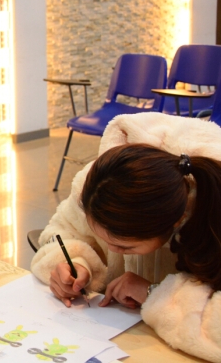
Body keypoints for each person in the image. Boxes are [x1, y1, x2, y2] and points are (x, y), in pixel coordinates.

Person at [31, 112, 221, 362]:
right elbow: (61, 230)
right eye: (104, 240)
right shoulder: (103, 184)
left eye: (125, 247)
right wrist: (74, 261)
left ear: (176, 221)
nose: (111, 251)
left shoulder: (211, 207)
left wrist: (154, 293)